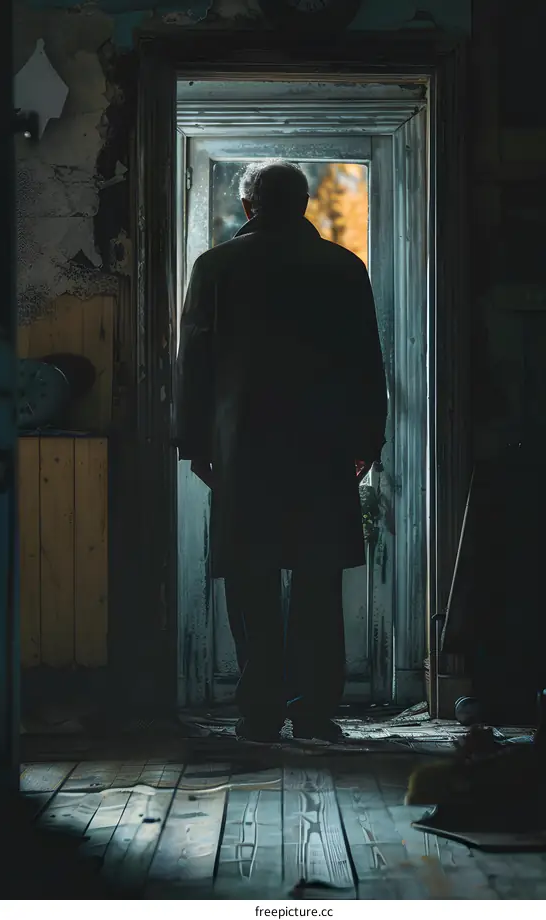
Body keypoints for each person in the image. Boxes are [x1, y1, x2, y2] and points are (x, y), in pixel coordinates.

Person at [174, 159, 387, 743]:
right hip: (322, 447)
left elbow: (194, 363)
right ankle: (313, 711)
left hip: (244, 447)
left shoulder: (215, 266)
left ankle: (259, 712)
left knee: (251, 579)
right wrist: (367, 441)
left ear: (248, 207)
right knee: (317, 579)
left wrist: (196, 444)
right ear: (304, 204)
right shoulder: (342, 267)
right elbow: (366, 363)